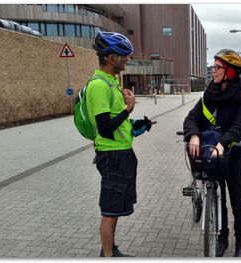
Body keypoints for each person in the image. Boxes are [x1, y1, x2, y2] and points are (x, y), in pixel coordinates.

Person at [183, 49, 241, 257]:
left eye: (218, 67)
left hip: (236, 152)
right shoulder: (209, 94)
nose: (213, 71)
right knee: (218, 194)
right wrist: (193, 135)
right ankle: (222, 237)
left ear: (230, 72)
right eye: (213, 67)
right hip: (213, 153)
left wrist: (223, 143)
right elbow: (191, 118)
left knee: (237, 198)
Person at [88, 31, 153, 257]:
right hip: (112, 156)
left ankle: (111, 250)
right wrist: (129, 109)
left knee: (115, 209)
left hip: (122, 153)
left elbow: (116, 124)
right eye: (123, 55)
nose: (127, 59)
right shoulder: (98, 86)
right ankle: (107, 255)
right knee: (109, 210)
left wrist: (136, 125)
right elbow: (105, 128)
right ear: (111, 58)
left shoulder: (111, 82)